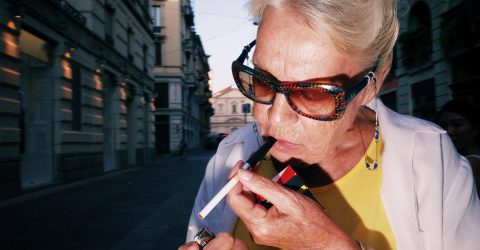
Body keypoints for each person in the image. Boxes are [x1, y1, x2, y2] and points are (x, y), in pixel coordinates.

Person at [179, 0, 480, 249]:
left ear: (371, 86)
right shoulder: (230, 155)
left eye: (314, 93)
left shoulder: (433, 161)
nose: (273, 118)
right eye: (262, 80)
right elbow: (201, 233)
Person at [437, 99, 480, 197]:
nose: (449, 131)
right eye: (443, 126)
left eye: (457, 124)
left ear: (475, 128)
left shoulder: (471, 164)